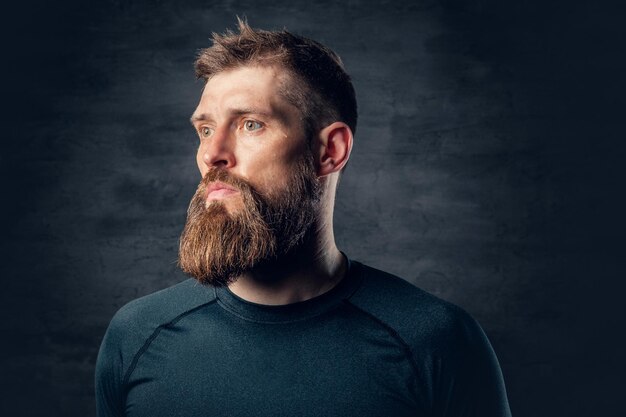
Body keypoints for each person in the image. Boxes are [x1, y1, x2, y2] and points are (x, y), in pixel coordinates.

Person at [95, 19, 512, 417]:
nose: (211, 154)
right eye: (204, 129)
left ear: (330, 151)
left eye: (250, 124)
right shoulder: (136, 336)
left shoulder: (435, 342)